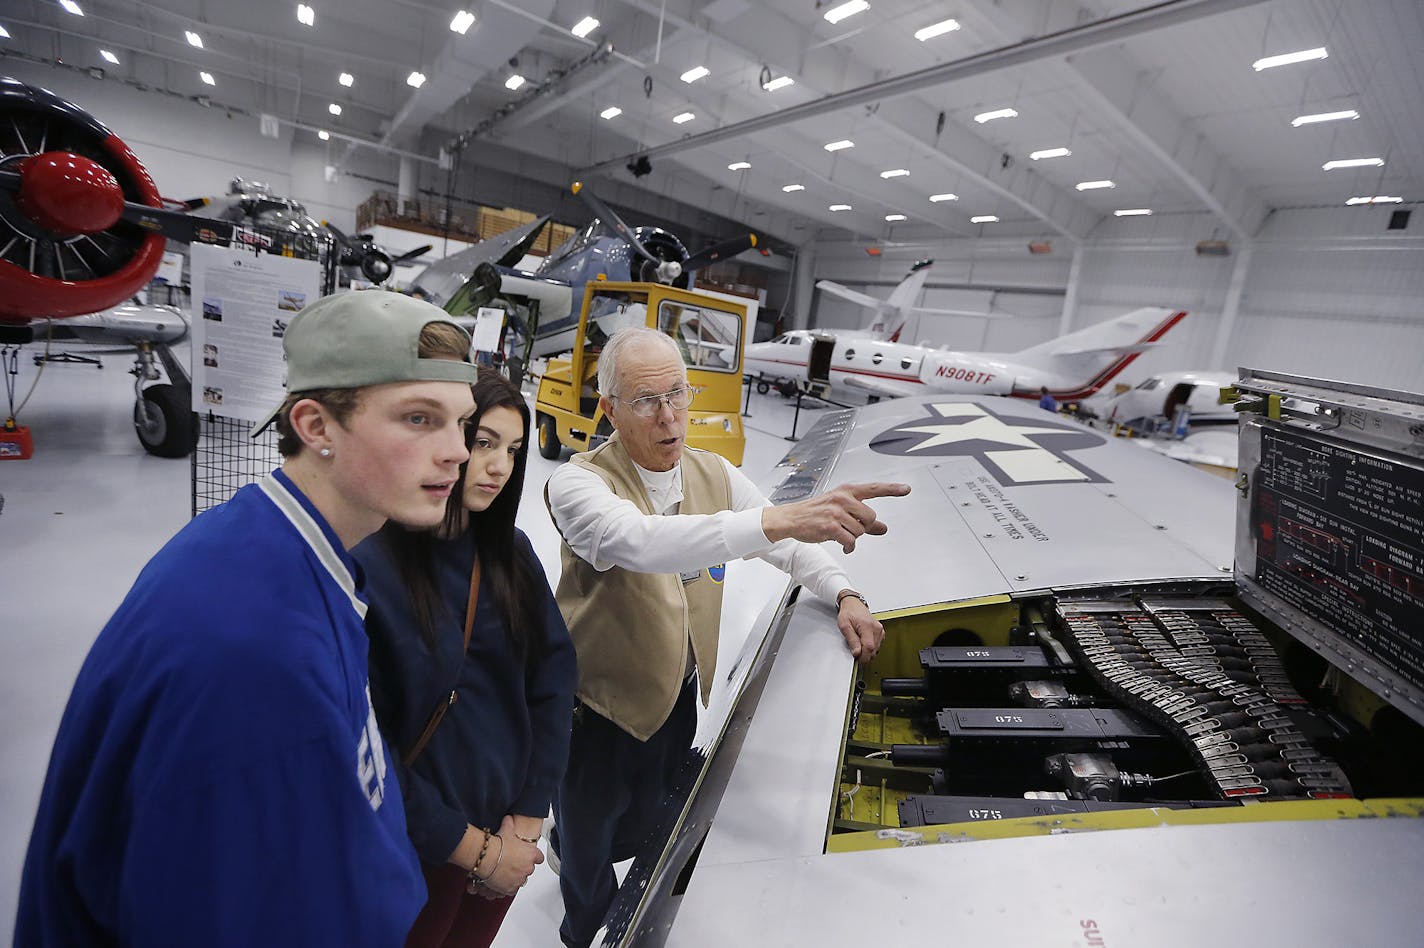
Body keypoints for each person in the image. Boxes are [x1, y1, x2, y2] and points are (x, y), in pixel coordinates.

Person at [16, 293, 479, 946]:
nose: (457, 452)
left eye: (460, 422)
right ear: (315, 427)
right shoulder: (256, 660)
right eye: (419, 419)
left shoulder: (266, 541)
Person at [544, 327, 910, 948]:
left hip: (677, 696)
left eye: (678, 395)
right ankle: (583, 930)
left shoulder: (712, 474)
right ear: (608, 409)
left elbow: (791, 547)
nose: (669, 417)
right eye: (644, 401)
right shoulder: (578, 486)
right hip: (597, 712)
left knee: (651, 824)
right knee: (587, 846)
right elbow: (639, 542)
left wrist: (844, 591)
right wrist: (774, 518)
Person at [356, 369, 577, 948]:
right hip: (417, 843)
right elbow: (364, 743)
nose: (500, 466)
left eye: (513, 450)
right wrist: (475, 850)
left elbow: (553, 680)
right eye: (484, 443)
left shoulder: (510, 554)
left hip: (505, 836)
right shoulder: (375, 564)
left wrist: (527, 820)